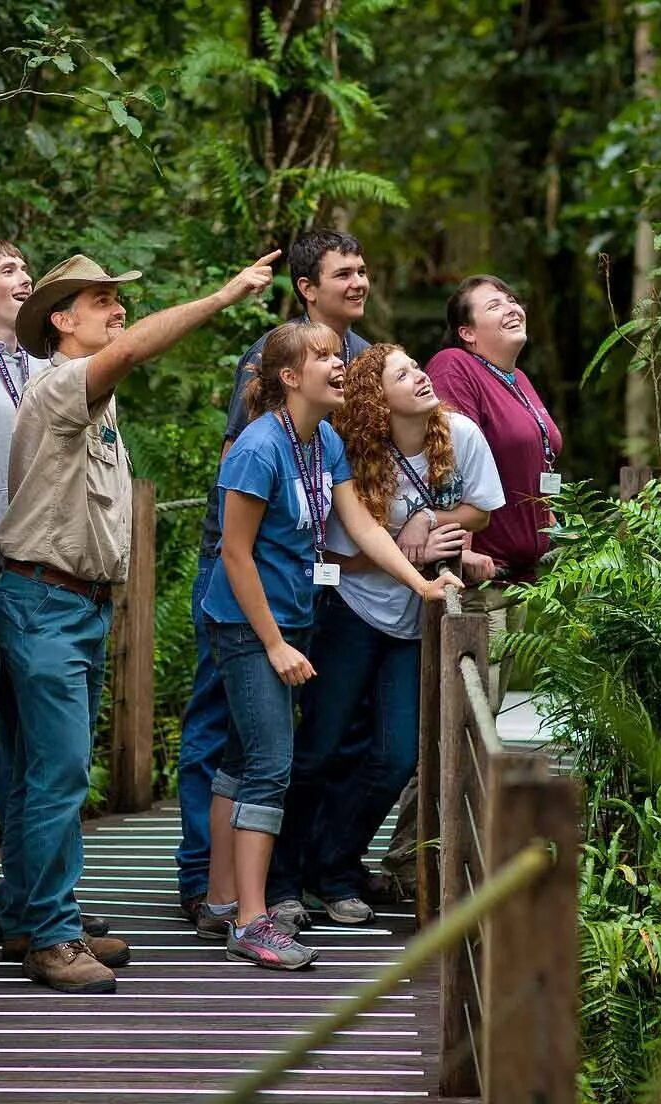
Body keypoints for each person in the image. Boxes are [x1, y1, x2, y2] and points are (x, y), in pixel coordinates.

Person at [0, 250, 281, 993]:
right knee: (56, 777)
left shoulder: (95, 399)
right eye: (101, 299)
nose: (117, 310)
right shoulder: (62, 383)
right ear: (63, 319)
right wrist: (221, 295)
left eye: (119, 300)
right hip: (43, 601)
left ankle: (30, 913)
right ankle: (52, 939)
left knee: (37, 774)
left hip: (70, 605)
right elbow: (130, 349)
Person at [196, 321, 462, 970]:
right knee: (271, 763)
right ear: (290, 378)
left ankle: (222, 898)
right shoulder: (259, 449)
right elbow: (234, 555)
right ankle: (256, 922)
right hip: (250, 626)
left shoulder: (322, 445)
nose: (339, 363)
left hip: (293, 620)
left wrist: (419, 585)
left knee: (240, 758)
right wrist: (273, 644)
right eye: (322, 357)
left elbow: (362, 528)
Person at [178, 229, 372, 928]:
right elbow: (243, 474)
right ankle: (217, 891)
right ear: (307, 289)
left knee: (247, 748)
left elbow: (352, 498)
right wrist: (240, 566)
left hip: (298, 582)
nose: (358, 281)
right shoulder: (276, 362)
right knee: (242, 739)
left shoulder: (353, 373)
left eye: (362, 270)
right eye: (341, 273)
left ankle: (235, 894)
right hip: (246, 572)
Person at [277, 343, 503, 924]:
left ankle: (336, 866)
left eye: (418, 368)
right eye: (404, 374)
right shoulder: (352, 449)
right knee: (320, 747)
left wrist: (430, 524)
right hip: (351, 609)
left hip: (414, 621)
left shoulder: (459, 435)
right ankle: (284, 878)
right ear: (379, 399)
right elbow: (332, 554)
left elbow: (480, 509)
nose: (422, 376)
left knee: (397, 753)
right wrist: (406, 546)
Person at [0, 240, 115, 951]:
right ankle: (23, 921)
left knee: (32, 758)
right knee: (32, 759)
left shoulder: (52, 368)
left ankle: (39, 908)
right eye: (9, 271)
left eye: (25, 271)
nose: (23, 280)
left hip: (44, 568)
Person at [423, 275, 564, 700]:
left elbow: (534, 459)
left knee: (489, 708)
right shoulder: (455, 365)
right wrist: (460, 550)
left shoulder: (517, 379)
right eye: (494, 305)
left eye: (512, 299)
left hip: (520, 577)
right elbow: (450, 455)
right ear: (467, 333)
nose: (511, 307)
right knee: (470, 715)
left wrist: (551, 523)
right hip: (480, 579)